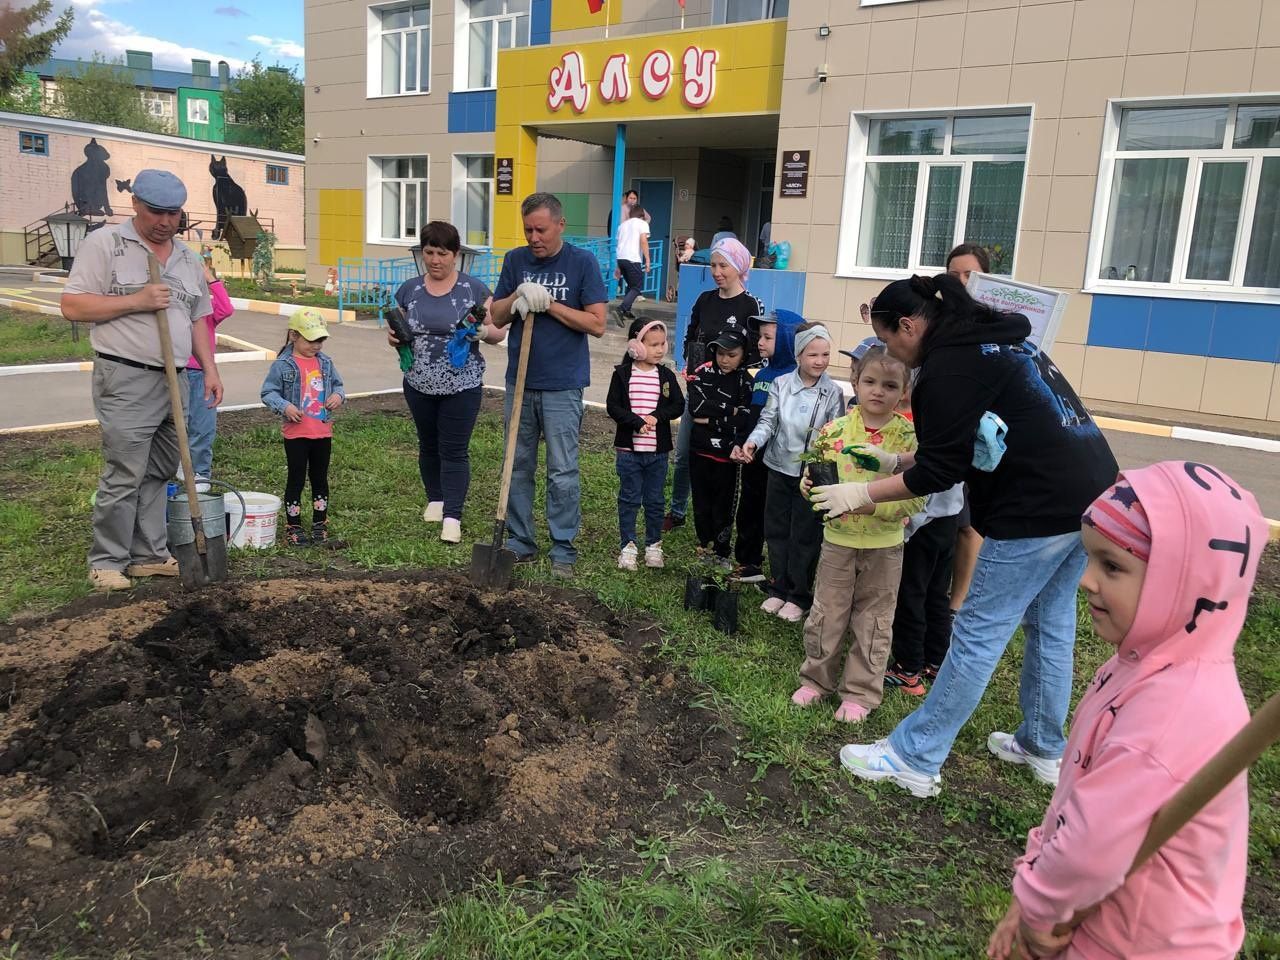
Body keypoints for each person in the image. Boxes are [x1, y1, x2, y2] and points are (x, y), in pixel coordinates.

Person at [826, 274, 1117, 798]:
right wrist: (897, 460)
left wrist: (862, 494)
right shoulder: (998, 343)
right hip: (1092, 495)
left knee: (980, 630)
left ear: (910, 326)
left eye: (889, 339)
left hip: (1037, 507)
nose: (890, 352)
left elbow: (941, 471)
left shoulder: (947, 368)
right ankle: (1043, 746)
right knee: (1051, 621)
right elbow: (962, 449)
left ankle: (915, 756)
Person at [987, 463, 1266, 960]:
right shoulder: (1142, 667)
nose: (1086, 581)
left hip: (1146, 946)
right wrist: (1031, 887)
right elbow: (1077, 801)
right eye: (1090, 560)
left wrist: (1039, 910)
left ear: (1183, 585)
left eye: (1112, 567)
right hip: (1099, 921)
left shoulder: (1174, 711)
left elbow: (1088, 851)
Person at [61, 169, 222, 592]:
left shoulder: (187, 257)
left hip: (177, 379)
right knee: (125, 472)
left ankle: (148, 555)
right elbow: (73, 306)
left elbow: (200, 318)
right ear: (135, 204)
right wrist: (136, 300)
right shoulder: (106, 245)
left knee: (160, 470)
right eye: (156, 212)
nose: (165, 221)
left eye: (173, 213)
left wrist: (210, 368)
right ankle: (107, 560)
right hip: (127, 376)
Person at [791, 347, 922, 722]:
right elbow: (814, 477)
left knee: (875, 619)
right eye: (870, 382)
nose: (878, 391)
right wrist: (808, 487)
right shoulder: (833, 432)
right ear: (855, 383)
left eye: (889, 385)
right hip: (838, 540)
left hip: (884, 545)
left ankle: (861, 692)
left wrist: (871, 506)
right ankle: (816, 679)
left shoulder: (910, 439)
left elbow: (917, 498)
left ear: (904, 391)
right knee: (826, 612)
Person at [489, 192, 607, 580]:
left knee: (562, 469)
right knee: (517, 464)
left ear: (560, 224)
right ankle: (521, 540)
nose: (534, 237)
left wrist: (550, 303)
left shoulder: (582, 263)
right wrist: (518, 298)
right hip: (520, 383)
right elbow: (497, 314)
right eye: (527, 230)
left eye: (541, 229)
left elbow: (597, 324)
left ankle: (563, 547)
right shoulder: (515, 261)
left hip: (562, 384)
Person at [389, 220, 504, 544]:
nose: (435, 260)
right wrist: (394, 339)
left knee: (453, 450)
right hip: (418, 382)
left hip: (461, 384)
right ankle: (436, 500)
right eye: (429, 252)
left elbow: (497, 332)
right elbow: (397, 331)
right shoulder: (410, 289)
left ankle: (452, 517)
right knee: (428, 444)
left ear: (455, 255)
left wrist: (483, 332)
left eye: (442, 253)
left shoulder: (474, 290)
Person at [734, 322, 844, 621]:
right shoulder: (781, 384)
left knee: (805, 534)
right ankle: (779, 587)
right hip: (779, 467)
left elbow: (835, 436)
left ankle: (799, 593)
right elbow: (768, 421)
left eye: (825, 354)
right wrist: (752, 443)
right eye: (813, 355)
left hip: (811, 475)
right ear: (798, 355)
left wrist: (819, 464)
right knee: (777, 530)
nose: (820, 361)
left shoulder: (833, 392)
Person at [666, 237, 764, 531]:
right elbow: (691, 337)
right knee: (685, 453)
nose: (717, 271)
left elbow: (756, 355)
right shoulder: (704, 300)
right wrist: (688, 368)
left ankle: (718, 522)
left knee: (722, 459)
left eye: (724, 265)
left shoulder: (751, 305)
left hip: (730, 399)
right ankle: (677, 510)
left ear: (739, 266)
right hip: (699, 392)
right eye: (713, 265)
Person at [260, 308, 346, 547]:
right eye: (311, 340)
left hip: (322, 432)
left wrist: (338, 397)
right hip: (296, 434)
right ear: (293, 336)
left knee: (320, 478)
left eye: (320, 340)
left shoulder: (326, 363)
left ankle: (320, 522)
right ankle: (294, 525)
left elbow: (339, 387)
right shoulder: (283, 365)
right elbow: (268, 392)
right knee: (296, 478)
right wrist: (285, 406)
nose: (316, 345)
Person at [606, 317, 686, 571]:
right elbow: (613, 407)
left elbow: (678, 405)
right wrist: (636, 422)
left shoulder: (665, 376)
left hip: (657, 453)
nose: (660, 349)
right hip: (629, 453)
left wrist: (656, 417)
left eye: (663, 344)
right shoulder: (622, 374)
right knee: (629, 498)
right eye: (653, 345)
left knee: (655, 500)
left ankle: (654, 544)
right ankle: (628, 545)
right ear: (636, 345)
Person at [944, 243, 991, 616]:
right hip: (946, 431)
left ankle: (958, 600)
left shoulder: (994, 322)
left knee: (968, 523)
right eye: (953, 274)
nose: (961, 282)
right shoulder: (939, 319)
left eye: (969, 275)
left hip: (982, 437)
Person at [736, 309, 799, 583]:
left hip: (780, 462)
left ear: (788, 340)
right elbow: (753, 416)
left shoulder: (795, 378)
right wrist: (743, 443)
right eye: (759, 336)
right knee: (749, 508)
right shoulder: (761, 374)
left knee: (775, 516)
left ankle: (781, 572)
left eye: (768, 337)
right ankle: (749, 562)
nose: (760, 342)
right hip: (754, 457)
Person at [688, 328, 754, 565]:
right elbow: (695, 409)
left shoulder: (746, 381)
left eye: (732, 354)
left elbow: (745, 418)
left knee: (723, 505)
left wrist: (713, 416)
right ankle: (704, 545)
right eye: (720, 353)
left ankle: (721, 550)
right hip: (699, 451)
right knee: (701, 502)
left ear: (743, 354)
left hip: (727, 456)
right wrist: (730, 410)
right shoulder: (702, 372)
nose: (725, 360)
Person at [183, 260, 232, 487]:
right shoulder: (177, 307)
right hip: (175, 373)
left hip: (203, 375)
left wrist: (210, 279)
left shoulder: (205, 312)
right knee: (174, 427)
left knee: (202, 428)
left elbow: (226, 308)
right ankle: (175, 471)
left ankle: (200, 474)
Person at [613, 204, 651, 326]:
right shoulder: (642, 224)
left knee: (630, 285)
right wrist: (648, 260)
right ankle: (621, 309)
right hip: (633, 258)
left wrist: (618, 267)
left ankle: (627, 311)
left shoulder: (622, 225)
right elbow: (643, 241)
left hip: (621, 258)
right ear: (642, 215)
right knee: (637, 287)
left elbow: (618, 245)